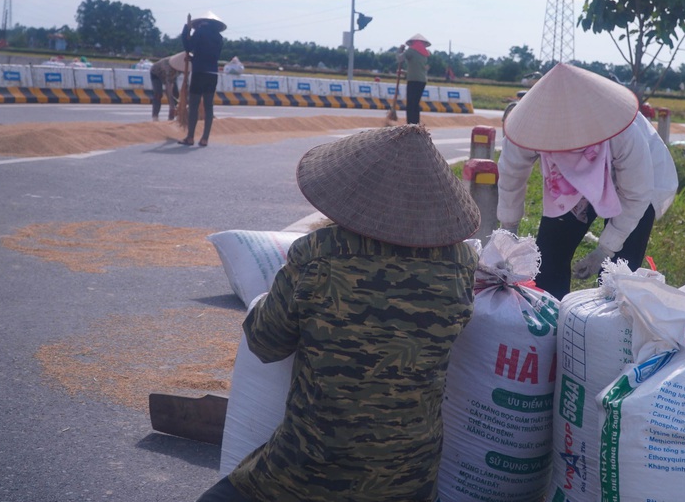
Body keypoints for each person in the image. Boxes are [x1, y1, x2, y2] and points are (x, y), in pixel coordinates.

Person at [199, 125, 481, 502]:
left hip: (309, 471)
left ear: (353, 195)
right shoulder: (462, 264)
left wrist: (269, 299)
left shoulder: (318, 253)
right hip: (411, 480)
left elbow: (266, 343)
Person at [497, 63, 678, 300]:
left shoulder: (625, 133)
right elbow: (512, 176)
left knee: (618, 273)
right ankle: (552, 325)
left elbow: (636, 195)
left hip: (638, 186)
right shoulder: (528, 127)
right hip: (566, 187)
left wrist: (604, 250)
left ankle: (609, 329)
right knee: (548, 262)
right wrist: (508, 233)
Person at [180, 11, 226, 146]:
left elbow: (188, 46)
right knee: (208, 106)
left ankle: (190, 137)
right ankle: (205, 138)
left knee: (193, 105)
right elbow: (210, 56)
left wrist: (186, 30)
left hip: (199, 72)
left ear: (201, 23)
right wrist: (194, 59)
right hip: (212, 74)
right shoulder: (219, 38)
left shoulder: (200, 32)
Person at [396, 33, 431, 124]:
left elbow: (400, 59)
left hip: (413, 80)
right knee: (415, 103)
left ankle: (410, 124)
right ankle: (415, 123)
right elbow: (417, 68)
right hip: (422, 80)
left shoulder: (411, 50)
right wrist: (405, 72)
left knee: (410, 104)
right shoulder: (425, 54)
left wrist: (399, 51)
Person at [149, 52, 183, 121]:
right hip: (156, 74)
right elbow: (168, 88)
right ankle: (155, 116)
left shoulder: (184, 66)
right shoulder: (168, 66)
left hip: (172, 76)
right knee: (158, 94)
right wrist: (172, 106)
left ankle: (175, 115)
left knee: (176, 93)